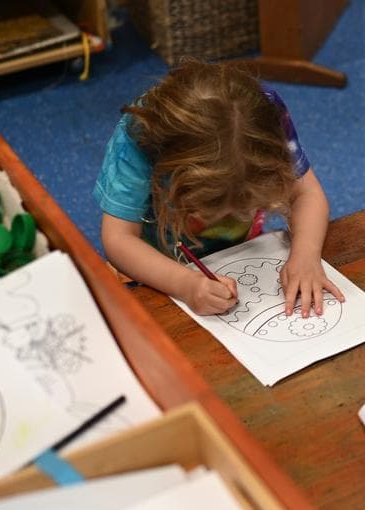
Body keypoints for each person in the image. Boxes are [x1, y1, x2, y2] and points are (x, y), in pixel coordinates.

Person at [93, 60, 343, 317]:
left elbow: (307, 193)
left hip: (239, 251)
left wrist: (305, 255)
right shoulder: (140, 134)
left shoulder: (265, 117)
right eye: (208, 206)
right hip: (152, 265)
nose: (227, 215)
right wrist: (185, 284)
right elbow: (118, 239)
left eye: (245, 204)